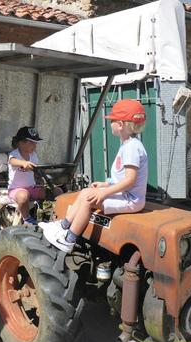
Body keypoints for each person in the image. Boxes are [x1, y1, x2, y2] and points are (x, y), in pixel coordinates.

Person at [39, 99, 148, 253]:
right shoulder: (129, 145)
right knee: (85, 192)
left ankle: (69, 239)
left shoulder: (131, 147)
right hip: (124, 194)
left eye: (112, 121)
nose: (110, 123)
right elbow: (122, 178)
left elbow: (130, 181)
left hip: (130, 199)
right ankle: (63, 225)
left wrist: (104, 192)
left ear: (121, 124)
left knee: (88, 201)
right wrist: (105, 184)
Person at [8, 126, 62, 226]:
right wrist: (23, 163)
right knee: (23, 196)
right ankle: (27, 219)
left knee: (57, 191)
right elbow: (12, 161)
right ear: (21, 142)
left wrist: (41, 176)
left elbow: (36, 170)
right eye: (32, 142)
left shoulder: (33, 155)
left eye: (35, 143)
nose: (35, 145)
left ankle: (56, 216)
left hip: (32, 188)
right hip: (16, 190)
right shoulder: (14, 154)